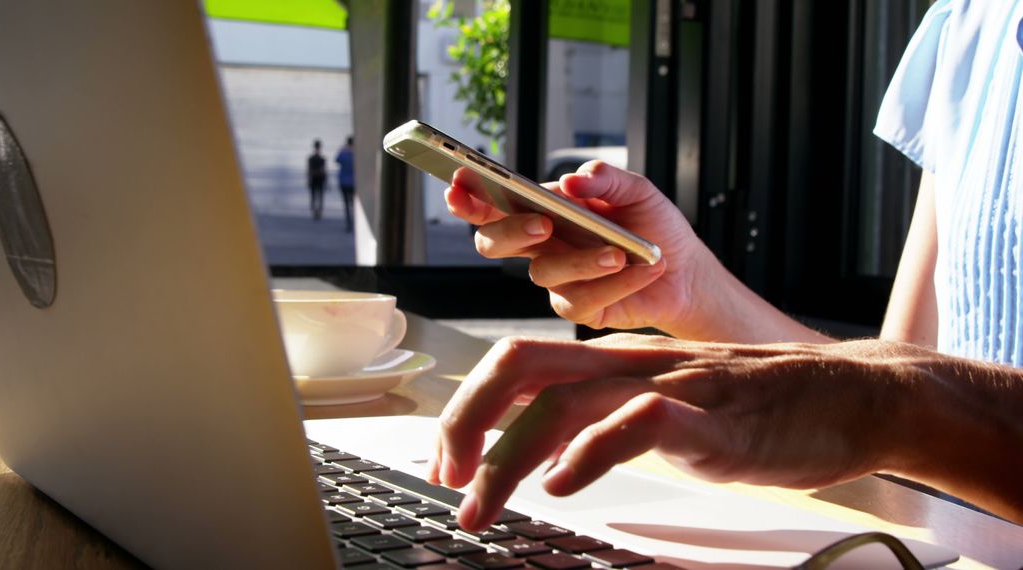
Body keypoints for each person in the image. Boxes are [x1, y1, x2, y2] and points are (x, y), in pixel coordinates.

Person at [428, 0, 1023, 532]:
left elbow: (907, 398)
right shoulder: (970, 21)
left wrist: (895, 404)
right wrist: (690, 290)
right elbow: (906, 387)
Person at [335, 136, 355, 233]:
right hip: (354, 182)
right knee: (354, 203)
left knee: (346, 203)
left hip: (343, 181)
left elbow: (337, 160)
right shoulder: (356, 153)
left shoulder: (344, 153)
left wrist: (342, 149)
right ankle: (355, 221)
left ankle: (349, 222)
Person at [307, 139, 327, 220]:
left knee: (314, 196)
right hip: (320, 178)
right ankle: (318, 211)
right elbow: (324, 170)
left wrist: (308, 179)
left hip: (314, 178)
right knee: (319, 196)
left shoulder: (311, 158)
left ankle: (316, 211)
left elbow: (309, 170)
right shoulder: (322, 159)